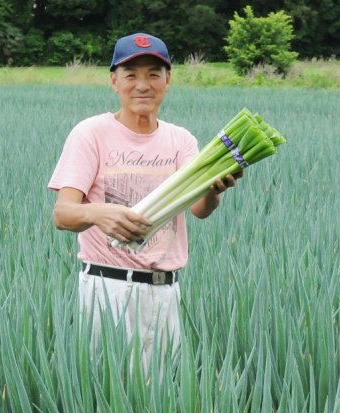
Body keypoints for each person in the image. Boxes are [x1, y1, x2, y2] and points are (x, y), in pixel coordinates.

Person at [48, 32, 241, 374]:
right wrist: (99, 213)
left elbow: (199, 210)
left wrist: (214, 192)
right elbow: (62, 214)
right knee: (105, 397)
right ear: (113, 81)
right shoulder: (90, 133)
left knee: (161, 398)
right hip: (107, 290)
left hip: (164, 291)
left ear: (168, 81)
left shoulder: (180, 140)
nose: (143, 84)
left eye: (153, 74)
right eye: (131, 74)